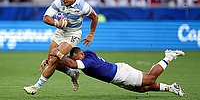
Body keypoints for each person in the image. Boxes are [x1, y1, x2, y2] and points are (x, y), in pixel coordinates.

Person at [23, 0, 98, 95]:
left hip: (73, 34)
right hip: (59, 33)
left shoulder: (83, 6)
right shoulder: (58, 2)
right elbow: (46, 17)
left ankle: (35, 87)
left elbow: (94, 17)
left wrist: (91, 34)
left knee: (53, 59)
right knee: (51, 61)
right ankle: (73, 73)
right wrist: (56, 23)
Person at [49, 47, 186, 97]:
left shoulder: (89, 61)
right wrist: (51, 60)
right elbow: (70, 62)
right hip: (117, 77)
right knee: (142, 89)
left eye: (75, 58)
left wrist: (59, 54)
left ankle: (169, 56)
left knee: (150, 79)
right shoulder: (88, 54)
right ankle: (171, 88)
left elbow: (71, 63)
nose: (74, 63)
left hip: (121, 74)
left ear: (81, 54)